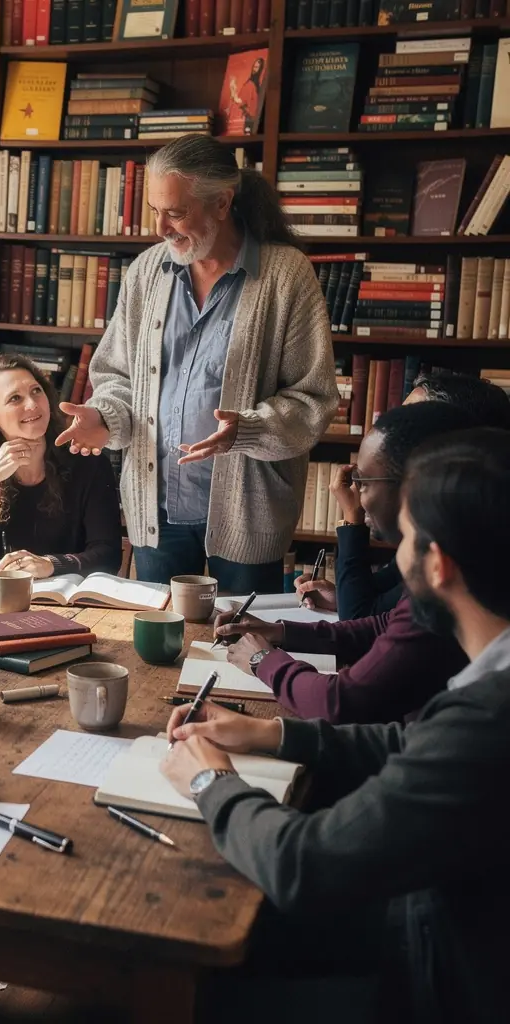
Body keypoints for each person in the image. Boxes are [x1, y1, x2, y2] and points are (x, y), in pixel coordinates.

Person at [161, 428, 510, 1024]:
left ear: (438, 564)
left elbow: (303, 865)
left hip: (438, 969)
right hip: (449, 923)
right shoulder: (490, 682)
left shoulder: (487, 720)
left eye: (406, 535)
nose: (395, 556)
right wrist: (272, 734)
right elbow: (410, 742)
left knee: (188, 932)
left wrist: (209, 783)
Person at [55, 135, 337, 593]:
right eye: (154, 210)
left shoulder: (285, 275)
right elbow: (116, 376)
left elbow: (314, 398)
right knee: (158, 649)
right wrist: (104, 416)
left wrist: (245, 429)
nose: (160, 228)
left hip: (247, 512)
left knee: (244, 651)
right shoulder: (146, 271)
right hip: (156, 509)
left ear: (222, 202)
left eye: (176, 212)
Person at [213, 401, 476, 724]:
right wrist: (278, 631)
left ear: (414, 482)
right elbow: (384, 624)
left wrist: (263, 659)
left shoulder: (448, 580)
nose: (357, 496)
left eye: (363, 482)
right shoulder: (461, 550)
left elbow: (341, 701)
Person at [298, 370, 510, 618]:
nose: (393, 432)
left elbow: (359, 615)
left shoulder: (462, 540)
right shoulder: (434, 521)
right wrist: (341, 598)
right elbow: (374, 604)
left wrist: (352, 519)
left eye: (410, 422)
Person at [0, 354, 122, 578]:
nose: (33, 405)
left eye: (36, 391)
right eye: (15, 398)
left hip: (73, 601)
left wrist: (51, 564)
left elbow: (108, 556)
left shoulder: (87, 461)